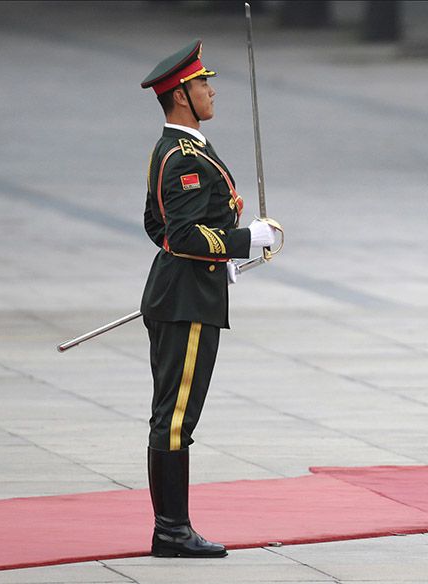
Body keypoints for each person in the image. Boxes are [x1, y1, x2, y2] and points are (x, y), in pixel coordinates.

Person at [139, 39, 279, 558]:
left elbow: (155, 224)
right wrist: (244, 241)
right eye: (202, 84)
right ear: (180, 96)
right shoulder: (180, 157)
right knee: (176, 417)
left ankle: (171, 527)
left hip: (184, 291)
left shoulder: (182, 148)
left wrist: (219, 260)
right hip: (186, 303)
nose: (211, 91)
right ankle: (172, 531)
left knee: (174, 412)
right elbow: (180, 235)